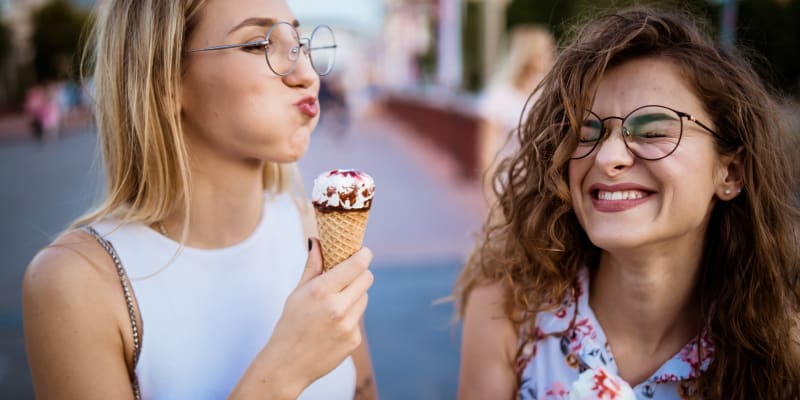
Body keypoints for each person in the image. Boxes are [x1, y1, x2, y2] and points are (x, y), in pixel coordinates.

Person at [22, 1, 377, 399]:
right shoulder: (76, 283)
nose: (307, 74)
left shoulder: (306, 229)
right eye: (259, 44)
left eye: (299, 42)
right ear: (165, 81)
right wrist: (284, 371)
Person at [456, 7, 800, 399]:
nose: (606, 157)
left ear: (731, 172)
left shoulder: (781, 350)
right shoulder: (507, 315)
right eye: (587, 132)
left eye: (653, 129)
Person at [476, 25, 555, 200]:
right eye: (543, 50)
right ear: (527, 54)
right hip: (509, 191)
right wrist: (493, 199)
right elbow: (487, 155)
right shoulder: (499, 97)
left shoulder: (550, 95)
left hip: (544, 193)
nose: (549, 55)